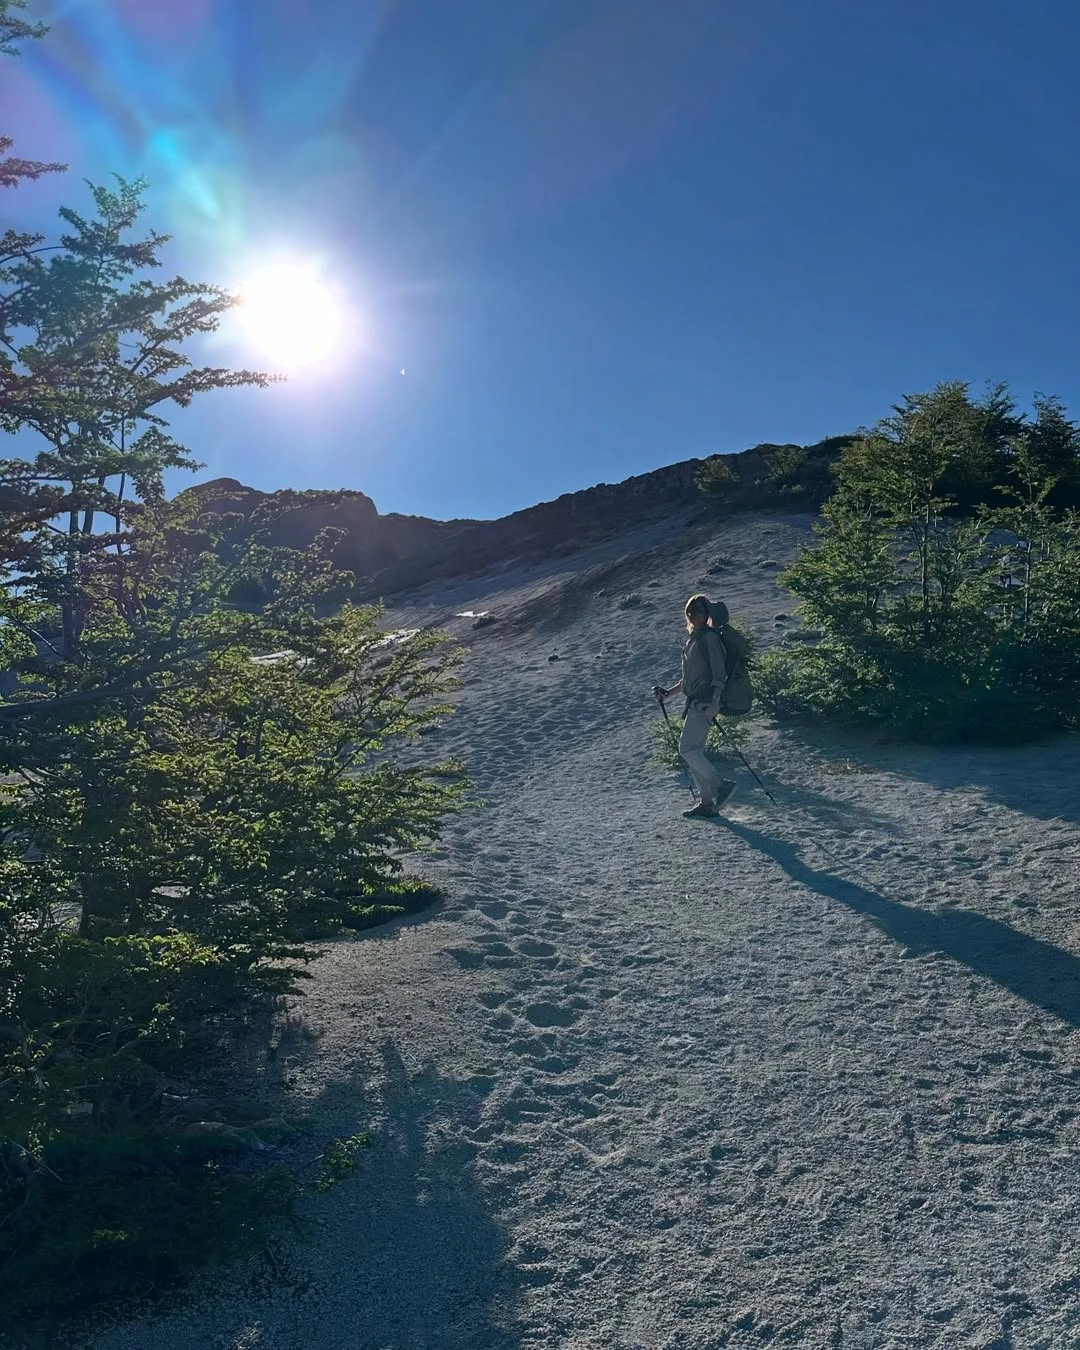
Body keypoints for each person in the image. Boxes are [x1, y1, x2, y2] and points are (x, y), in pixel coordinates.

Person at [655, 594, 735, 819]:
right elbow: (689, 678)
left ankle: (720, 785)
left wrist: (715, 702)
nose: (693, 614)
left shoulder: (709, 638)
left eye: (699, 610)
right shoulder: (693, 639)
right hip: (696, 701)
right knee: (693, 752)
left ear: (706, 614)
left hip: (705, 702)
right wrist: (668, 693)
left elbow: (719, 673)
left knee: (687, 750)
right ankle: (707, 803)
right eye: (690, 610)